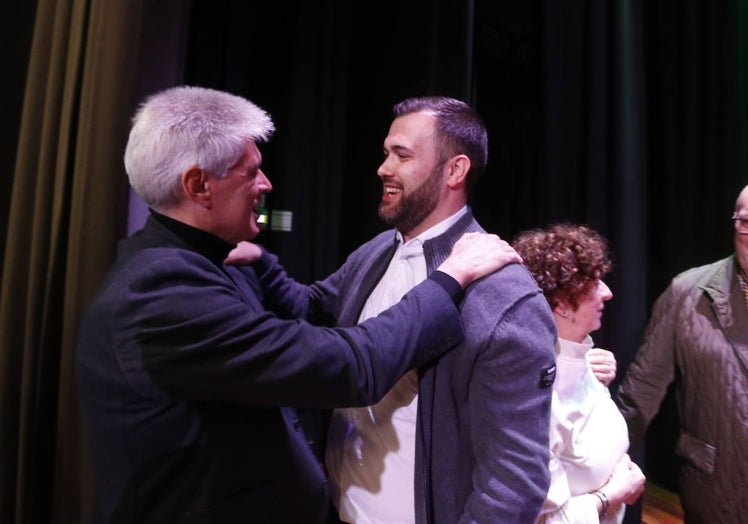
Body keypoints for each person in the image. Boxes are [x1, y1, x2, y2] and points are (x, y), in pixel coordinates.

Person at [74, 86, 515, 524]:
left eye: (401, 155)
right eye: (251, 173)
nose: (265, 185)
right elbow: (350, 364)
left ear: (456, 170)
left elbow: (312, 310)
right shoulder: (163, 291)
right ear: (198, 185)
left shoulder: (203, 262)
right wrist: (448, 279)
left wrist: (262, 264)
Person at [228, 96, 558, 523]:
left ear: (455, 170)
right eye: (386, 153)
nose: (383, 168)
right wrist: (260, 260)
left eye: (402, 155)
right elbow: (314, 310)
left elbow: (516, 481)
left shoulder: (504, 297)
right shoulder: (379, 251)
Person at [616, 184, 748, 523]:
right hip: (717, 491)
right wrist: (599, 465)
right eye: (746, 222)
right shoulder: (688, 294)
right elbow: (641, 391)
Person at [512, 223, 646, 523]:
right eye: (594, 283)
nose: (608, 293)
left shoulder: (584, 362)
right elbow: (544, 519)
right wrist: (613, 494)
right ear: (560, 303)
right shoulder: (537, 395)